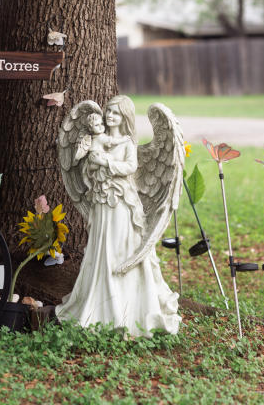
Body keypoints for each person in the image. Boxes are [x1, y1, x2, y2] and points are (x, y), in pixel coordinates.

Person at [55, 96, 181, 335]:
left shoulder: (127, 142)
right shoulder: (97, 138)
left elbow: (130, 167)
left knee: (120, 244)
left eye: (115, 113)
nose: (110, 116)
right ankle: (99, 300)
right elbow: (83, 164)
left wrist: (105, 161)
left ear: (125, 117)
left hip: (122, 201)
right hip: (101, 201)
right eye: (109, 112)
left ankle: (126, 303)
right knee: (101, 246)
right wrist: (90, 161)